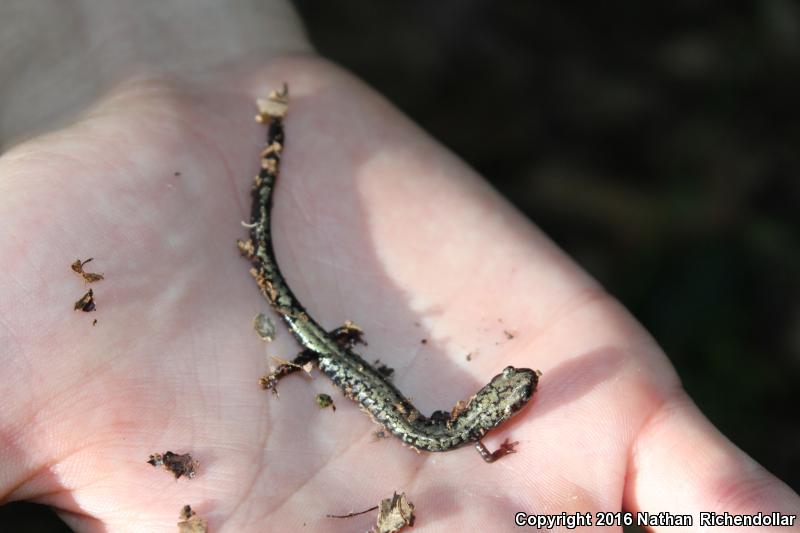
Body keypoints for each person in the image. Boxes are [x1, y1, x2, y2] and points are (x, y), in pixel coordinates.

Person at [1, 2, 797, 531]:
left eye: (512, 391)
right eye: (510, 387)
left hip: (333, 354)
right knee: (296, 313)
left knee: (307, 329)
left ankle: (270, 154)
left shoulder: (458, 434)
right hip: (331, 352)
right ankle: (269, 157)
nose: (511, 386)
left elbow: (457, 434)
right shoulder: (462, 434)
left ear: (495, 411)